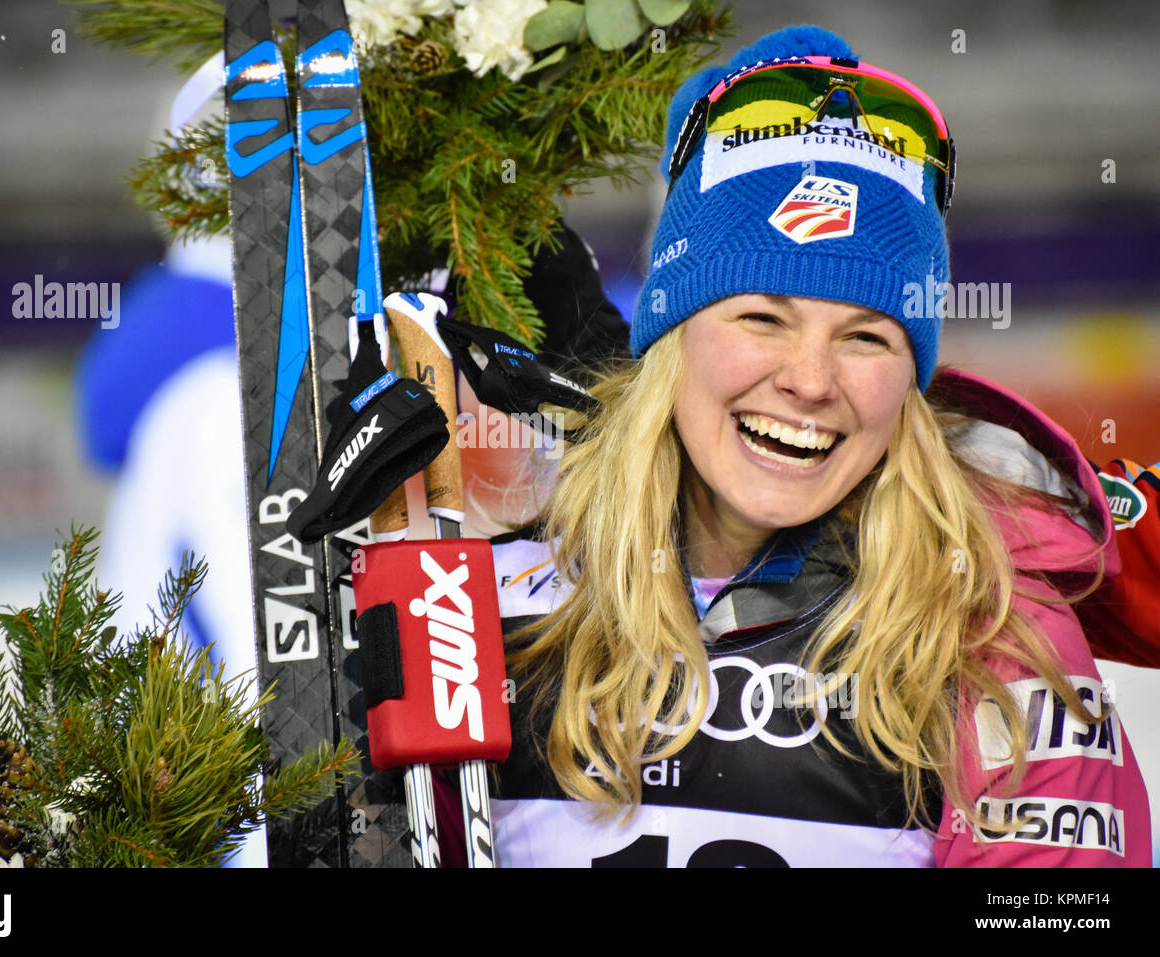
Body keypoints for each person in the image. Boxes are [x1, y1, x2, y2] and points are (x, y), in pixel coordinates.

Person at [482, 25, 1151, 867]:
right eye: (762, 317)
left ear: (912, 375)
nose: (809, 380)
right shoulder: (502, 573)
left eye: (866, 337)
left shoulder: (993, 626)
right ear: (672, 338)